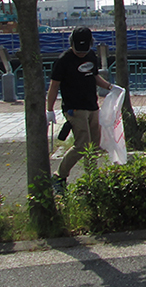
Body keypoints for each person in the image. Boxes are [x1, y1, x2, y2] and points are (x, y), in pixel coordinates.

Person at [46, 27, 116, 195]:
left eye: (84, 50)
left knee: (94, 145)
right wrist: (49, 110)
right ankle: (59, 175)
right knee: (82, 145)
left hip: (92, 105)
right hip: (74, 108)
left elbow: (94, 76)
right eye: (78, 50)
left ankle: (91, 176)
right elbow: (54, 85)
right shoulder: (63, 60)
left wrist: (109, 86)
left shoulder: (91, 56)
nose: (81, 54)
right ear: (72, 44)